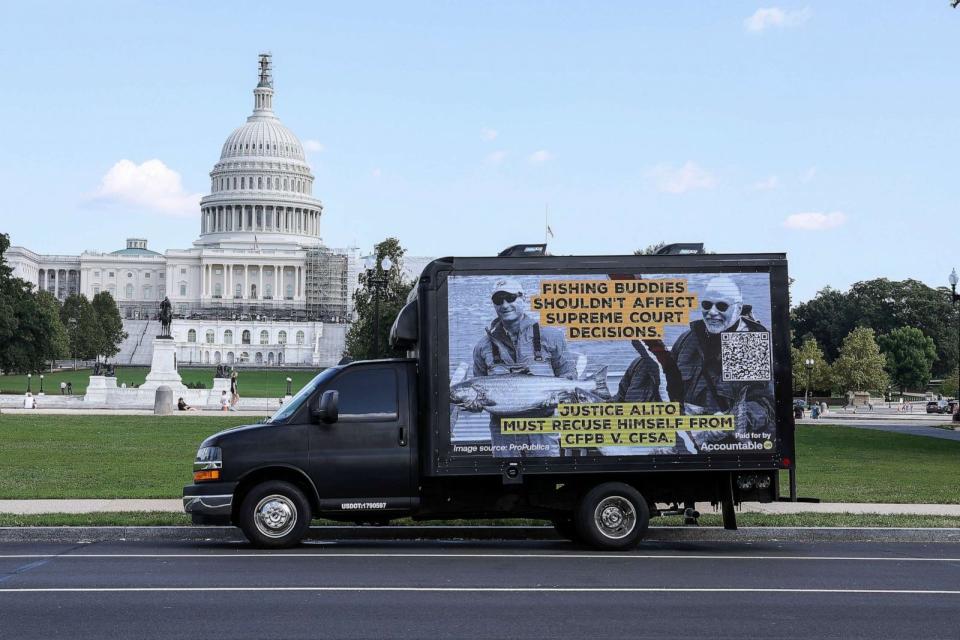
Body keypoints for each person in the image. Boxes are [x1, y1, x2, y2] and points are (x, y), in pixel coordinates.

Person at [466, 277, 576, 457]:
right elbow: (477, 390)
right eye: (498, 300)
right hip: (503, 436)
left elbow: (569, 378)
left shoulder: (552, 336)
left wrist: (559, 399)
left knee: (544, 482)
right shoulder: (482, 347)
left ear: (523, 298)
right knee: (509, 484)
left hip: (543, 430)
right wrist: (473, 405)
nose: (504, 304)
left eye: (510, 297)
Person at [671, 276, 775, 448]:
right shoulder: (687, 341)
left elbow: (765, 405)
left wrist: (729, 422)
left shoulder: (746, 342)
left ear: (738, 308)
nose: (712, 312)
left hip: (732, 449)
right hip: (689, 446)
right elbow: (670, 389)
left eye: (721, 306)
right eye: (706, 305)